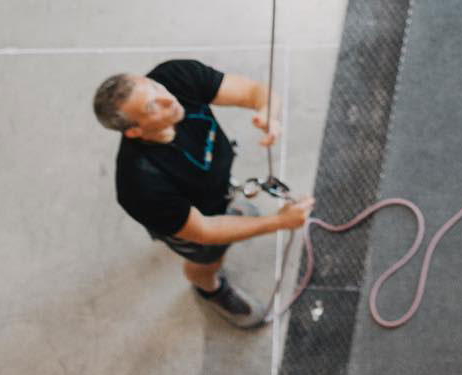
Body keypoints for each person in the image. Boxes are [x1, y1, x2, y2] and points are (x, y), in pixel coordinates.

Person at [92, 59, 314, 330]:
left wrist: (268, 111)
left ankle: (229, 215)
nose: (167, 99)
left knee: (226, 218)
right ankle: (209, 289)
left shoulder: (175, 76)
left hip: (214, 187)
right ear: (135, 131)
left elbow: (251, 92)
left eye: (155, 88)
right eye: (152, 106)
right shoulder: (140, 185)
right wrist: (279, 222)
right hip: (192, 218)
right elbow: (205, 231)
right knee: (207, 257)